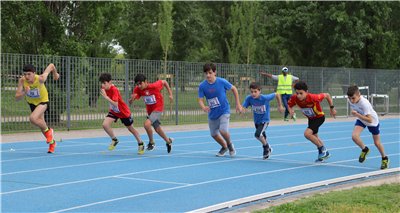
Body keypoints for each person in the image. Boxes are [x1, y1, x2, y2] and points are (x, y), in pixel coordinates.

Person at [198, 62, 241, 157]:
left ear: (215, 72)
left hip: (224, 110)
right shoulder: (202, 86)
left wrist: (238, 104)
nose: (208, 75)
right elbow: (200, 100)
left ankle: (230, 145)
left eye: (210, 73)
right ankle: (224, 147)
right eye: (206, 73)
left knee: (223, 131)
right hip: (212, 113)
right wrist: (203, 107)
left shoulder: (222, 82)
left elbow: (234, 89)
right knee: (213, 134)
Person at [287, 81, 337, 163]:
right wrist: (290, 111)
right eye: (297, 93)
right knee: (315, 136)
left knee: (307, 134)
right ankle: (325, 153)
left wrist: (332, 108)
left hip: (319, 117)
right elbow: (289, 105)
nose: (299, 96)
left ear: (306, 92)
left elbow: (327, 95)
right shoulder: (295, 98)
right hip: (311, 118)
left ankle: (322, 149)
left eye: (301, 93)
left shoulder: (313, 97)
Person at [14, 63, 59, 153]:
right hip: (32, 103)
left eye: (29, 74)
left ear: (34, 73)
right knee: (42, 126)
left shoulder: (41, 79)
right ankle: (52, 143)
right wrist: (24, 92)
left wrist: (55, 74)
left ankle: (49, 130)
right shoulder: (22, 81)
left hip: (43, 101)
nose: (27, 76)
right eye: (25, 74)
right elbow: (16, 98)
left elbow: (51, 65)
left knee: (33, 118)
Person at [99, 72, 145, 154]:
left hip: (123, 112)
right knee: (105, 125)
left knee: (131, 129)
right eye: (101, 83)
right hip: (114, 111)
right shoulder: (104, 89)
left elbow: (116, 103)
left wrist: (106, 97)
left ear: (110, 82)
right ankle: (114, 140)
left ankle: (140, 143)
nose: (103, 85)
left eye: (104, 83)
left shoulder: (114, 90)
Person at [347, 85, 390, 169]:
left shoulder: (364, 103)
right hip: (361, 120)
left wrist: (357, 114)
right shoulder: (350, 100)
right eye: (349, 98)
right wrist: (358, 115)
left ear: (359, 95)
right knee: (354, 137)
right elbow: (359, 113)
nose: (351, 100)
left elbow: (370, 120)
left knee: (377, 143)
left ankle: (385, 158)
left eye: (353, 98)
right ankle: (365, 149)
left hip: (372, 122)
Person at [128, 74, 174, 153]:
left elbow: (165, 82)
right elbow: (130, 103)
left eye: (140, 83)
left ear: (145, 81)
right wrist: (132, 99)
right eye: (137, 84)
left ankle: (151, 142)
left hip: (158, 108)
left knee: (146, 125)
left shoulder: (155, 85)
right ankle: (168, 141)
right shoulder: (137, 89)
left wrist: (170, 94)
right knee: (157, 129)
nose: (139, 86)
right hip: (150, 110)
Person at [239, 82, 284, 159]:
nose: (253, 94)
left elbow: (277, 94)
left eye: (255, 92)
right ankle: (268, 149)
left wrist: (280, 106)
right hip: (256, 121)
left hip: (264, 120)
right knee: (262, 136)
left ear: (259, 91)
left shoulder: (265, 98)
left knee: (258, 134)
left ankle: (266, 147)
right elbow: (244, 106)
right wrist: (241, 109)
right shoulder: (249, 98)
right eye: (251, 92)